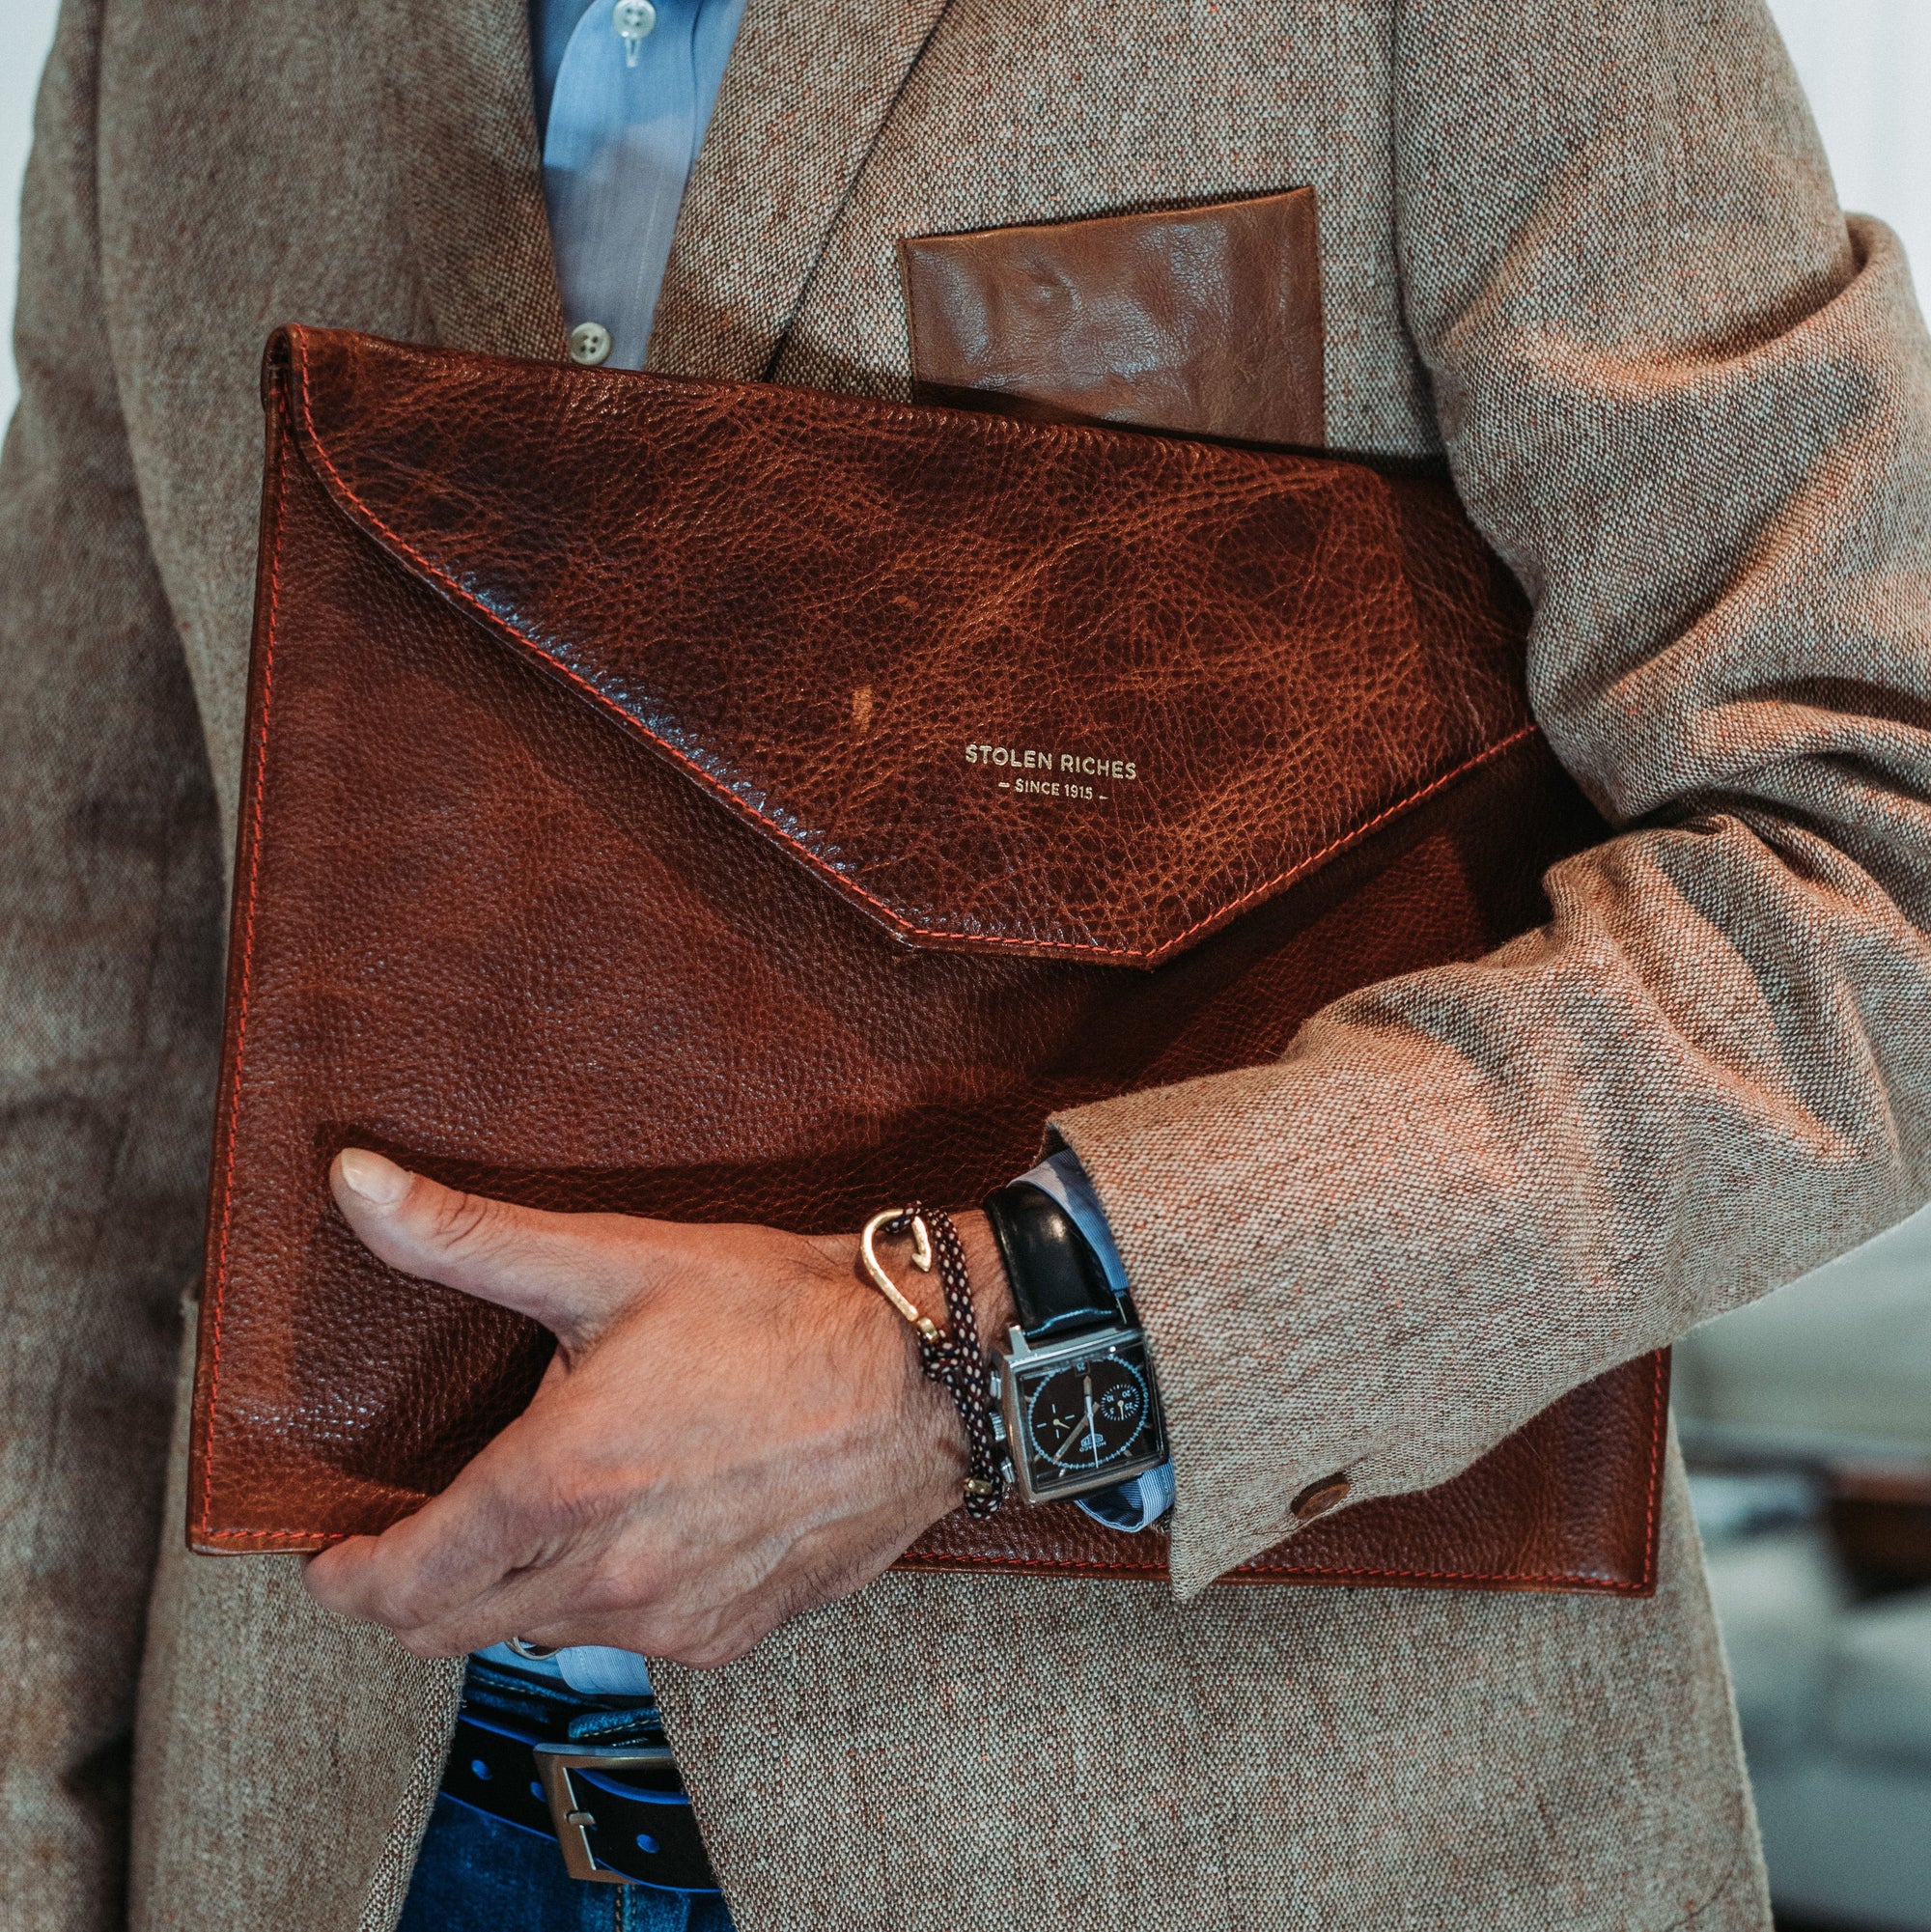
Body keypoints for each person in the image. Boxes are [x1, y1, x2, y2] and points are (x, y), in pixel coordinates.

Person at [5, 0, 1930, 1926]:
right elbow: (64, 1061)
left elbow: (1874, 842)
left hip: (1236, 1851)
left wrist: (984, 1354)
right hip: (310, 1837)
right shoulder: (166, 43)